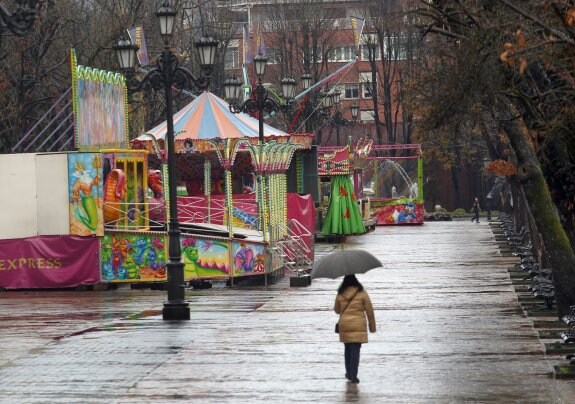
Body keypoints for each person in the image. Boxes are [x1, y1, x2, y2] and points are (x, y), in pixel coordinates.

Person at [334, 274, 376, 384]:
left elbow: (337, 310)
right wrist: (372, 327)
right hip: (358, 325)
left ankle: (348, 373)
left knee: (347, 349)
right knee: (355, 351)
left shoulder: (340, 293)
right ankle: (353, 375)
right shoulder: (362, 293)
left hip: (345, 325)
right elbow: (369, 310)